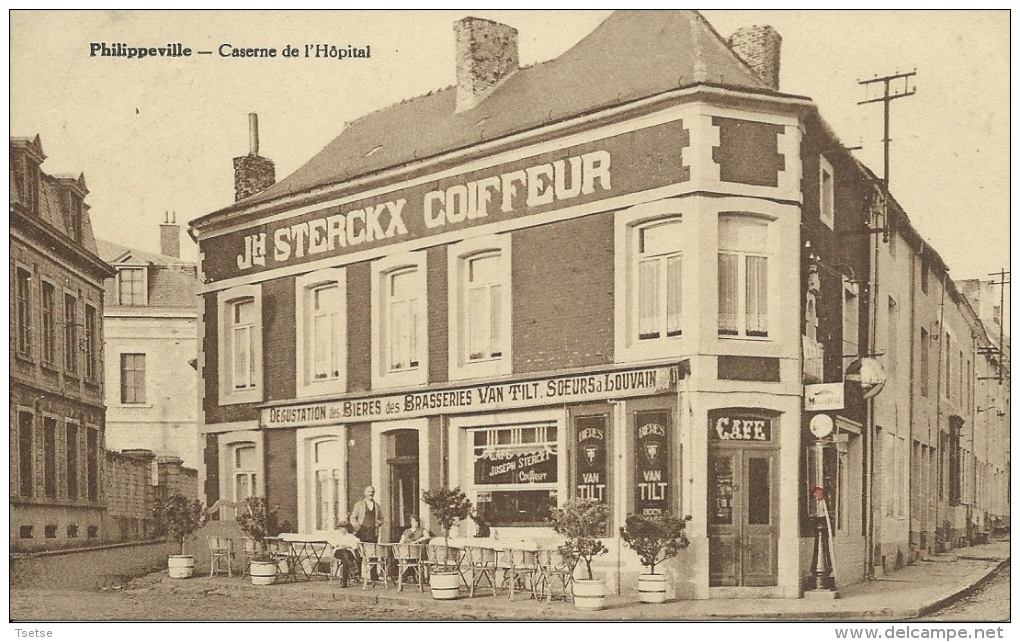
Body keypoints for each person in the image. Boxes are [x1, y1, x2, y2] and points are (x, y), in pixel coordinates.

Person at [328, 521, 361, 588]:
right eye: (341, 528)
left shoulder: (350, 536)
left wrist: (348, 546)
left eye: (344, 528)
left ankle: (344, 582)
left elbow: (357, 544)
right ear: (339, 528)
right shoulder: (336, 535)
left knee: (345, 559)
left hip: (348, 553)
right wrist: (338, 545)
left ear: (347, 529)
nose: (343, 529)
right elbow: (331, 541)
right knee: (344, 554)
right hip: (338, 552)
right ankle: (352, 568)